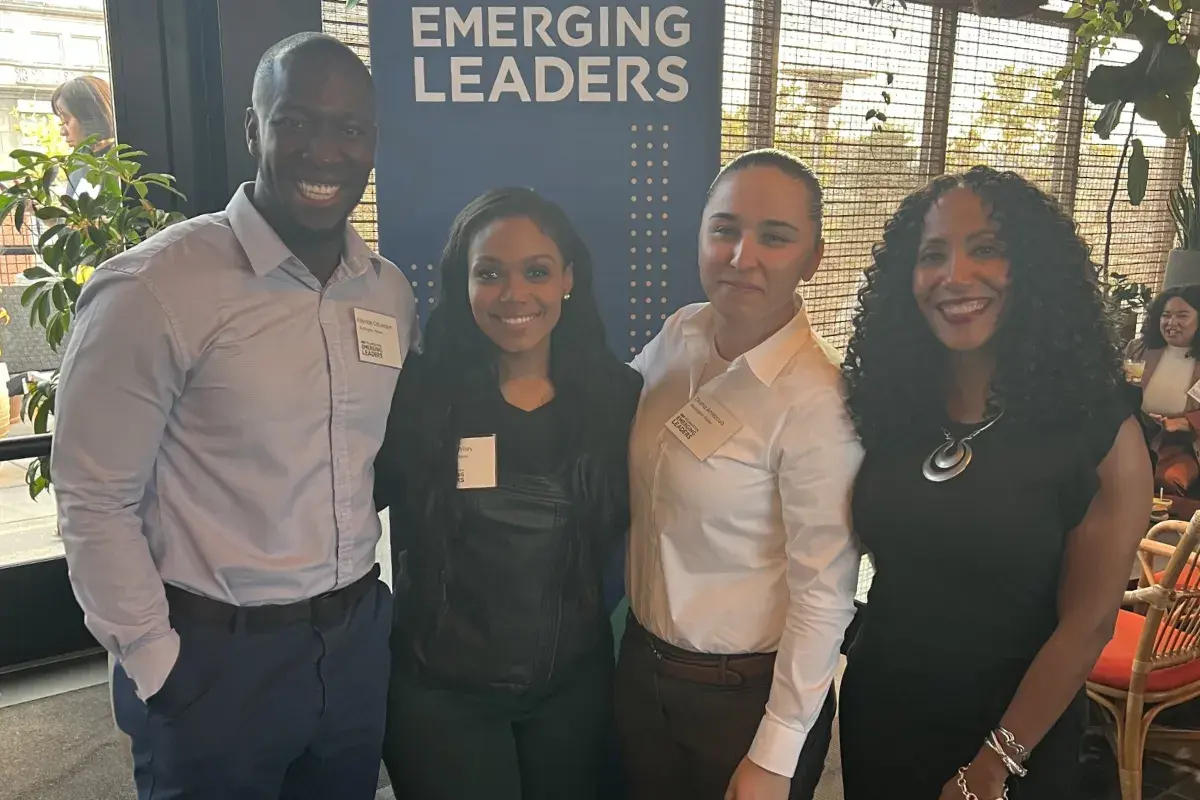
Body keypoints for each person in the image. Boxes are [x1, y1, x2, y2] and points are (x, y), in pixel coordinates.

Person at [51, 32, 416, 799]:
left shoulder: (388, 295)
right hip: (214, 661)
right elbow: (92, 498)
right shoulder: (155, 288)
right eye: (296, 122)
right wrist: (158, 663)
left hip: (350, 649)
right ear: (254, 130)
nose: (324, 150)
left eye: (348, 129)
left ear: (372, 144)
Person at [839, 166, 1152, 799]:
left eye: (986, 250)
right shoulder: (886, 411)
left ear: (1033, 270)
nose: (954, 276)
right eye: (932, 256)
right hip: (882, 719)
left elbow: (1088, 623)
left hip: (1015, 742)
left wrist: (991, 767)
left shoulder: (1096, 430)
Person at [375, 187, 642, 800]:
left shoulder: (619, 399)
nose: (514, 294)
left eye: (537, 272)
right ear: (462, 285)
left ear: (568, 279)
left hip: (573, 693)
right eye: (489, 273)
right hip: (440, 700)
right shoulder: (415, 398)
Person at [616, 148, 861, 800]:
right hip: (641, 677)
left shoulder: (818, 400)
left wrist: (774, 755)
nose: (740, 255)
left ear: (813, 258)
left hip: (742, 703)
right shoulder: (678, 335)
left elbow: (824, 596)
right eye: (724, 229)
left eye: (774, 237)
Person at [1126, 284, 1200, 495]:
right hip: (1136, 433)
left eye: (1182, 315)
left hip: (1183, 445)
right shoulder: (1139, 349)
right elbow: (1122, 388)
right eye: (1165, 315)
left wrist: (1183, 423)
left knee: (1166, 480)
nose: (1171, 323)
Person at [52, 74, 115, 197]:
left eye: (66, 121)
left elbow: (80, 214)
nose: (62, 132)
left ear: (89, 117)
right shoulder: (83, 161)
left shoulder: (101, 166)